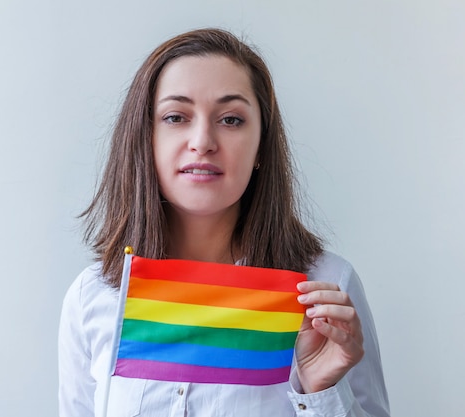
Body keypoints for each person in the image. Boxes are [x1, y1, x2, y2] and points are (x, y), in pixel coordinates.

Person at [58, 28, 389, 417]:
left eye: (231, 120)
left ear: (261, 146)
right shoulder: (92, 296)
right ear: (145, 139)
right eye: (176, 116)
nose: (202, 140)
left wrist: (320, 390)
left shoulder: (325, 291)